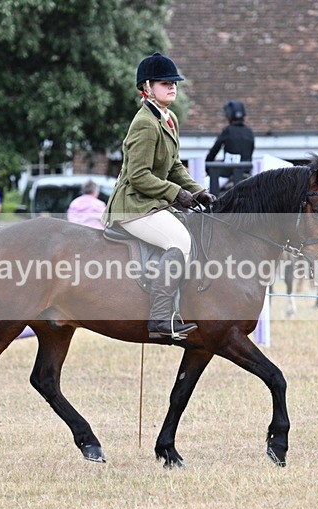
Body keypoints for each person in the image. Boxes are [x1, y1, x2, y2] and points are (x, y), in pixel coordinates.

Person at [102, 52, 215, 340]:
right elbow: (139, 176)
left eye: (174, 82)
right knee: (180, 241)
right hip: (132, 205)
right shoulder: (144, 122)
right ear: (147, 88)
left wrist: (197, 190)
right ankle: (160, 318)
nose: (172, 87)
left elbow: (174, 165)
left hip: (151, 203)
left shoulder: (169, 118)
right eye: (165, 83)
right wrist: (177, 193)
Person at [206, 100, 255, 186]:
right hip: (246, 175)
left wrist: (207, 166)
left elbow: (214, 150)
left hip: (228, 175)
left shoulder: (228, 130)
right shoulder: (249, 132)